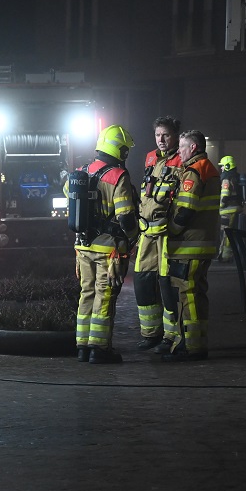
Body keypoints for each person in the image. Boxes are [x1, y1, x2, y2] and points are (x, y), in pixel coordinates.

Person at [70, 124, 139, 364]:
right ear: (119, 149)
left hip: (82, 247)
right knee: (105, 296)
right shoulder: (118, 176)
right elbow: (125, 216)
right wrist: (134, 237)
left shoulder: (80, 171)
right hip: (108, 250)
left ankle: (82, 346)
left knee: (86, 293)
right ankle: (99, 349)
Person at [157, 130, 220, 362]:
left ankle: (191, 346)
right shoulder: (207, 168)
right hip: (202, 244)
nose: (179, 152)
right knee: (198, 294)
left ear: (192, 148)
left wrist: (171, 231)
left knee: (188, 294)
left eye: (182, 147)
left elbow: (185, 211)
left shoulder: (194, 171)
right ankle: (198, 340)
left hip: (189, 245)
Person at [133, 115, 182, 350]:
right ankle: (150, 333)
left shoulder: (183, 160)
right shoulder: (151, 158)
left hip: (167, 236)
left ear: (175, 136)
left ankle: (170, 337)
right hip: (146, 234)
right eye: (157, 135)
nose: (161, 139)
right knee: (142, 281)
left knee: (167, 285)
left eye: (166, 135)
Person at [217, 155, 244, 262]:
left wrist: (219, 207)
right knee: (231, 233)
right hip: (236, 209)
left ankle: (225, 256)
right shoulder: (236, 178)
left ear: (228, 166)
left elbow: (224, 196)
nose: (221, 168)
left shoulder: (226, 180)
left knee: (226, 233)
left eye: (223, 166)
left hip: (228, 211)